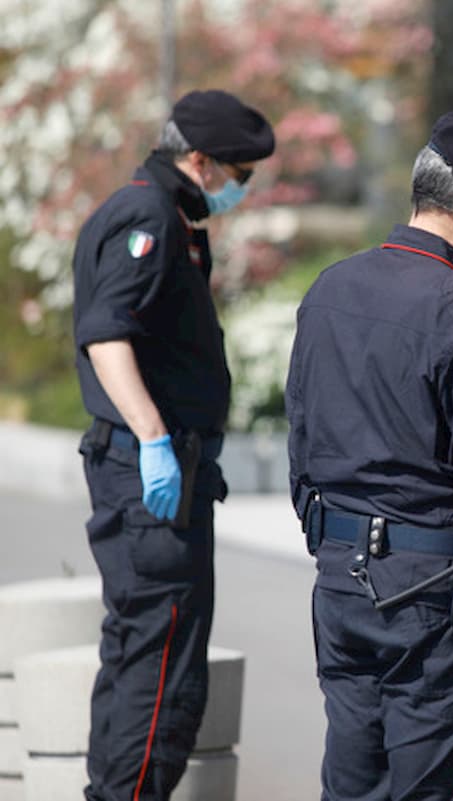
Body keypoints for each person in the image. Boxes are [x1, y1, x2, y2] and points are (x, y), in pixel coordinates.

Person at [285, 110, 453, 801]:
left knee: (354, 784)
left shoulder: (329, 291)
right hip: (437, 603)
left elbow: (303, 446)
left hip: (341, 584)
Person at [71, 90, 275, 800]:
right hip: (148, 475)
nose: (240, 190)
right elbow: (106, 333)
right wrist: (153, 438)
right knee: (157, 676)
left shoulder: (172, 217)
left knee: (149, 658)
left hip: (163, 477)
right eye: (238, 175)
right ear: (200, 161)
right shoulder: (146, 215)